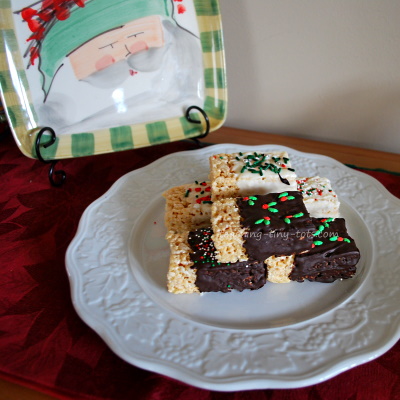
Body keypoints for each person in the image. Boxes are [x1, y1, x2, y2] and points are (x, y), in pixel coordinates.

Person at [19, 0, 203, 133]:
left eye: (137, 40)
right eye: (107, 50)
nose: (126, 55)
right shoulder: (70, 122)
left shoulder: (183, 96)